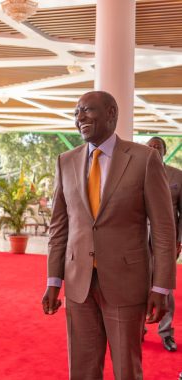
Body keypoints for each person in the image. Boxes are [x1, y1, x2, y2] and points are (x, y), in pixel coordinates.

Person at [41, 91, 176, 380]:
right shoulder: (65, 161)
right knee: (82, 370)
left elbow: (164, 229)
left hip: (127, 283)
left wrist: (162, 287)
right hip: (79, 284)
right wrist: (54, 280)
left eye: (87, 110)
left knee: (127, 369)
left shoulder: (144, 159)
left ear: (111, 113)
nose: (80, 118)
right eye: (76, 112)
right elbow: (59, 227)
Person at [145, 137, 182, 352]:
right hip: (138, 240)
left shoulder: (177, 176)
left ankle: (166, 333)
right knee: (139, 285)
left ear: (164, 151)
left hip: (167, 241)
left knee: (164, 287)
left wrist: (179, 240)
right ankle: (139, 329)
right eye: (149, 147)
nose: (153, 150)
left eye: (157, 147)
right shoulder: (136, 173)